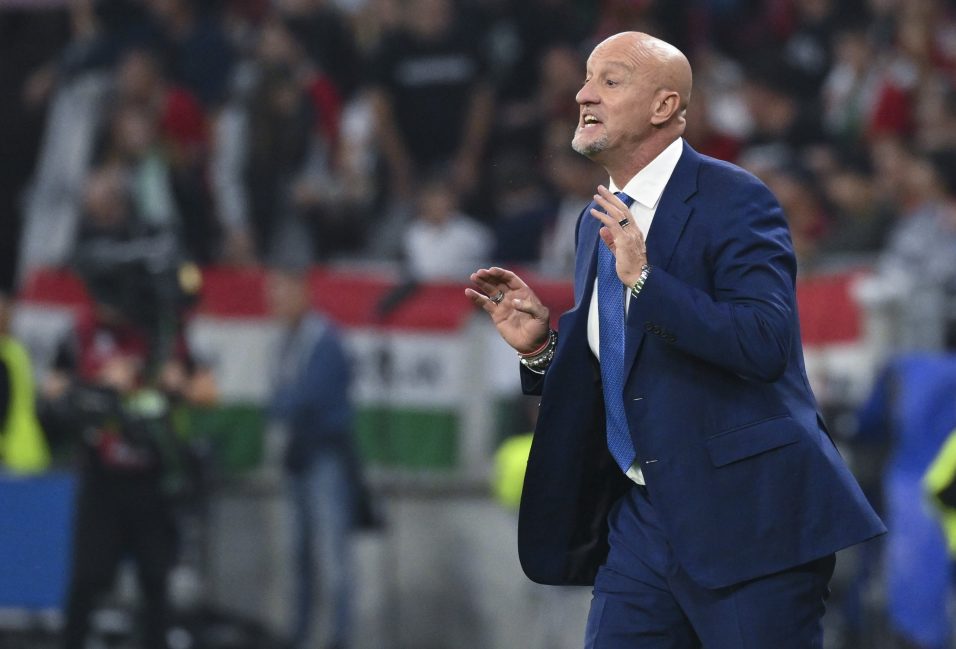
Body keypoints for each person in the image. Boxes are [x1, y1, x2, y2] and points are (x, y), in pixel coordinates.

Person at [465, 31, 885, 648]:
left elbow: (764, 342)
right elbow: (625, 372)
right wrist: (540, 350)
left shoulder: (735, 199)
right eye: (586, 79)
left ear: (664, 106)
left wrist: (646, 281)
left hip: (747, 521)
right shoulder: (594, 220)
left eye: (610, 81)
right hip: (642, 520)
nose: (583, 94)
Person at [265, 264, 364, 649]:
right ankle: (300, 633)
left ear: (302, 293)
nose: (275, 301)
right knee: (300, 555)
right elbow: (277, 401)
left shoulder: (324, 340)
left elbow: (309, 399)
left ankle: (339, 637)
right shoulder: (285, 342)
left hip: (325, 458)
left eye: (282, 292)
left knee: (333, 556)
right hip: (299, 457)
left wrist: (286, 404)